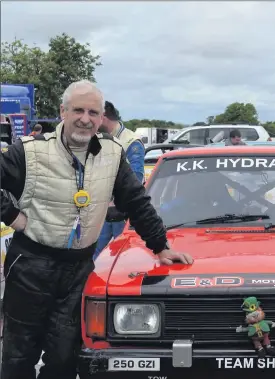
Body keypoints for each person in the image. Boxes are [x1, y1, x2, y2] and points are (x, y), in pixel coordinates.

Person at [0, 79, 194, 379]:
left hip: (78, 270)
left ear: (101, 117)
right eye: (78, 110)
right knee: (18, 357)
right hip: (30, 266)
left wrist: (160, 246)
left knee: (64, 358)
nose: (85, 119)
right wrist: (11, 216)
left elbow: (136, 201)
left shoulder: (113, 154)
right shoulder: (28, 152)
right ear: (62, 111)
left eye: (93, 112)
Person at [93, 100, 145, 259]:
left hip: (122, 210)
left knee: (123, 253)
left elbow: (136, 178)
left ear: (103, 117)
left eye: (95, 116)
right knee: (92, 254)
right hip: (100, 208)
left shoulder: (131, 142)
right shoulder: (97, 137)